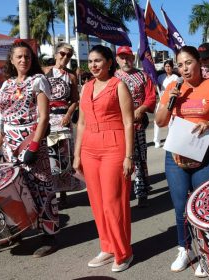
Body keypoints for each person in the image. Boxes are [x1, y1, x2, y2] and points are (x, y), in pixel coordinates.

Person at [155, 46, 209, 277]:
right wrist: (170, 100)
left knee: (204, 207)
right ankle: (185, 249)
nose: (184, 68)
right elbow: (159, 122)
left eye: (188, 63)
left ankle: (208, 253)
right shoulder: (173, 87)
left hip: (208, 155)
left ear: (199, 62)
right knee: (180, 207)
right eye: (180, 65)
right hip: (176, 157)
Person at [0, 39, 59, 258]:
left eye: (27, 56)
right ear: (11, 60)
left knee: (41, 188)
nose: (23, 60)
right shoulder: (7, 85)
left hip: (30, 143)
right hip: (9, 147)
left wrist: (34, 146)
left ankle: (49, 235)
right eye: (19, 56)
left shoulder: (38, 80)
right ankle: (18, 230)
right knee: (14, 191)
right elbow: (3, 119)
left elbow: (44, 117)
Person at [73, 45, 134, 272]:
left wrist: (129, 156)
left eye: (98, 60)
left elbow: (129, 122)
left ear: (110, 62)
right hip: (89, 149)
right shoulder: (86, 87)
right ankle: (107, 247)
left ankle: (123, 252)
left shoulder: (118, 86)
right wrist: (77, 153)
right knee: (97, 203)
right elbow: (81, 123)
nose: (93, 65)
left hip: (114, 148)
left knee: (113, 203)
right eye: (90, 61)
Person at [115, 46, 156, 208]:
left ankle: (141, 190)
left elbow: (151, 97)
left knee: (139, 158)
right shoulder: (113, 77)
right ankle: (123, 191)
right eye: (122, 57)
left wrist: (142, 109)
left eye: (128, 57)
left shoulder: (143, 76)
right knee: (120, 158)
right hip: (118, 125)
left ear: (133, 58)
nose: (126, 60)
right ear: (117, 59)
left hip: (137, 124)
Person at [45, 42, 83, 209]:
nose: (65, 57)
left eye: (69, 55)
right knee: (49, 158)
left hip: (63, 121)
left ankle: (63, 192)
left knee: (63, 157)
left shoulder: (71, 76)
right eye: (62, 53)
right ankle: (51, 191)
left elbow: (75, 100)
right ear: (55, 54)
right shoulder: (44, 72)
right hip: (47, 120)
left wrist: (68, 114)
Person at [154, 60, 179, 148]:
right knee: (157, 121)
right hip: (161, 101)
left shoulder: (175, 77)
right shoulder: (161, 77)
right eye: (166, 66)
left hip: (171, 102)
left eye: (169, 66)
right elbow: (157, 88)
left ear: (172, 67)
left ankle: (169, 139)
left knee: (170, 122)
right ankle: (156, 140)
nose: (167, 68)